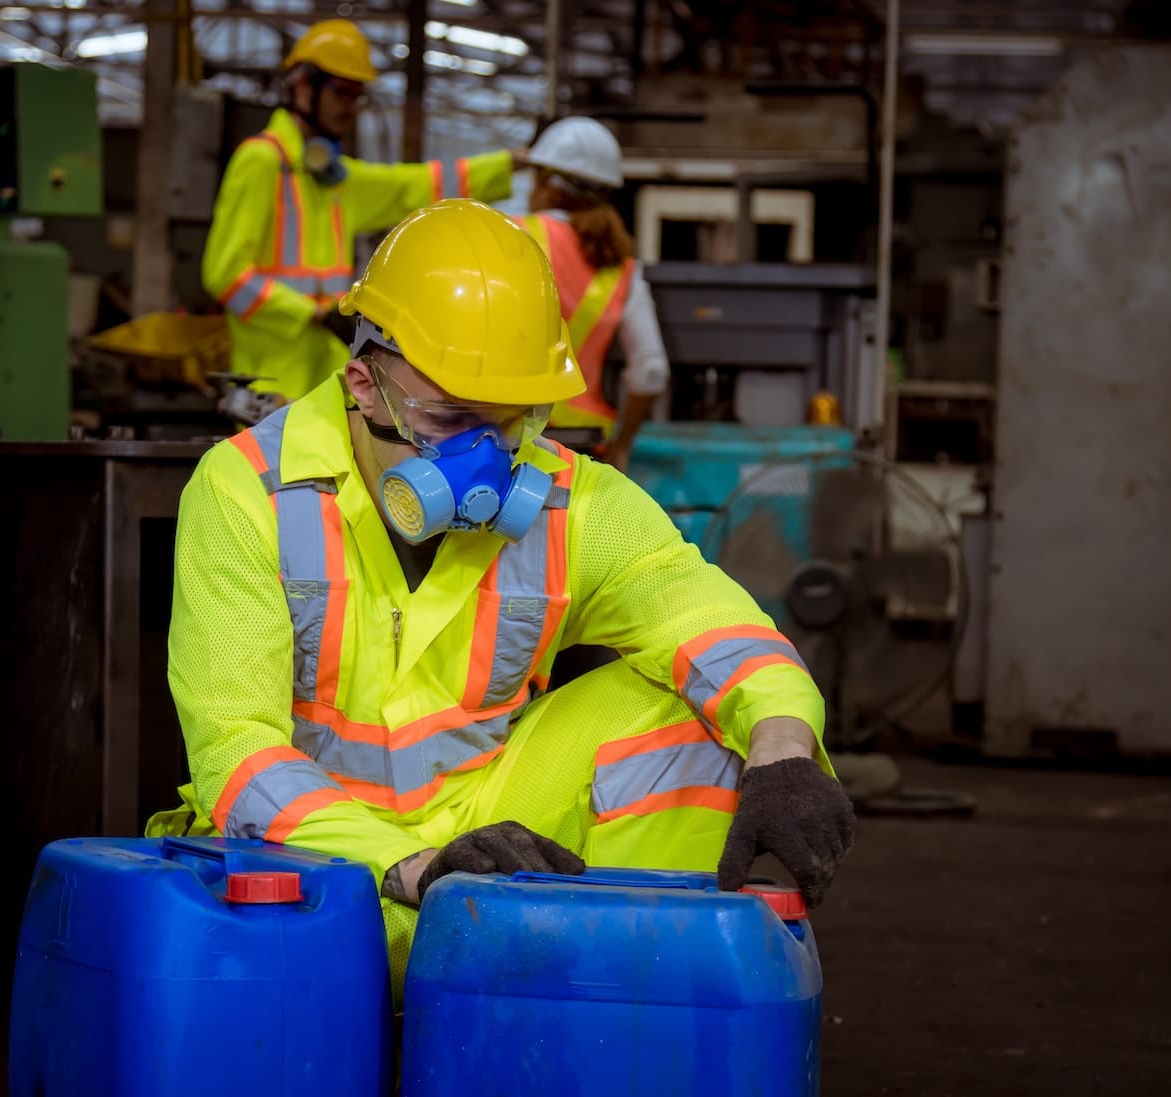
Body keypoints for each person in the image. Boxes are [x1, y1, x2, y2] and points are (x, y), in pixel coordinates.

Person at [153, 200, 855, 997]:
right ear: (363, 384)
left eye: (511, 422)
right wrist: (408, 865)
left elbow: (713, 623)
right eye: (450, 419)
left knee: (701, 715)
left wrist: (783, 753)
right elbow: (234, 750)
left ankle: (626, 1007)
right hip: (315, 870)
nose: (485, 461)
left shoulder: (570, 502)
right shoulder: (248, 492)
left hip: (496, 846)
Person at [201, 19, 517, 402]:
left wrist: (511, 164)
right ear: (304, 86)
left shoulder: (332, 179)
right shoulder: (262, 161)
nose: (351, 108)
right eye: (342, 93)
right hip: (269, 384)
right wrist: (311, 313)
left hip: (324, 381)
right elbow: (225, 275)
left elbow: (414, 186)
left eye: (357, 96)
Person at [515, 117, 667, 472]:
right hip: (585, 448)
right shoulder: (621, 265)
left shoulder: (514, 237)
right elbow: (651, 370)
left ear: (547, 184)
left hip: (514, 435)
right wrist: (622, 446)